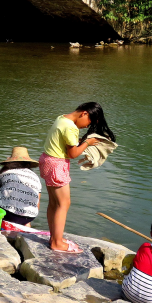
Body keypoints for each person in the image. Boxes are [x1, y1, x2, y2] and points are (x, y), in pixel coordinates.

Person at [40, 102, 115, 253]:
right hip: (57, 164)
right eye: (89, 122)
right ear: (84, 114)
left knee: (54, 203)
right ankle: (57, 243)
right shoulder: (71, 127)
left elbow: (66, 145)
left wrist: (81, 142)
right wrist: (88, 142)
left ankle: (55, 238)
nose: (87, 127)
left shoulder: (62, 118)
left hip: (47, 160)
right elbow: (73, 154)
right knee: (64, 203)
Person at [0, 147, 41, 226]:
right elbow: (37, 201)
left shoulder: (5, 172)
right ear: (28, 163)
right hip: (30, 217)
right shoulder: (35, 177)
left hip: (8, 214)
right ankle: (26, 224)